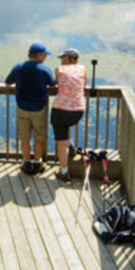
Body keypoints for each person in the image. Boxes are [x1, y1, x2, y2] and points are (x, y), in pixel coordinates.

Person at [4, 42, 55, 175]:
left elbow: (7, 82)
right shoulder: (44, 69)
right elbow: (53, 83)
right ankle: (38, 162)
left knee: (24, 137)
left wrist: (17, 89)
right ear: (38, 55)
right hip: (39, 108)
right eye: (44, 54)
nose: (45, 57)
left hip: (22, 107)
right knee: (39, 136)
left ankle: (26, 162)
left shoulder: (18, 67)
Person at [51, 48, 87, 181]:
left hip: (60, 109)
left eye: (63, 58)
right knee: (67, 127)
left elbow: (58, 84)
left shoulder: (59, 69)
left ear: (71, 58)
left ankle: (64, 171)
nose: (61, 60)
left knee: (60, 142)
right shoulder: (83, 69)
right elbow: (83, 84)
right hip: (78, 110)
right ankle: (71, 147)